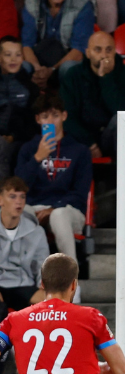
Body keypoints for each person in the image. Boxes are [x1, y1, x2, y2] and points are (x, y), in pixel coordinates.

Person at [13, 94, 90, 262]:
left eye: (55, 115)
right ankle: (25, 277)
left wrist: (54, 208)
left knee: (58, 215)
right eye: (45, 116)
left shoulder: (80, 151)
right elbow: (18, 187)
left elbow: (80, 192)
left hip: (68, 209)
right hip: (34, 207)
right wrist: (37, 159)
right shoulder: (28, 149)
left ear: (64, 116)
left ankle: (71, 280)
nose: (50, 121)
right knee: (18, 212)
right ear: (38, 119)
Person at [58, 30, 125, 159]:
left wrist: (106, 78)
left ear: (115, 51)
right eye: (98, 50)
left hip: (111, 137)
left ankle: (119, 177)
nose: (104, 55)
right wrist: (91, 144)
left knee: (120, 120)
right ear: (88, 53)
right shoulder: (73, 75)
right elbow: (67, 117)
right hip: (83, 139)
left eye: (109, 50)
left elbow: (121, 110)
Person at [21, 0, 92, 89]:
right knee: (23, 67)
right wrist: (38, 70)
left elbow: (79, 50)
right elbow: (27, 45)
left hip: (67, 59)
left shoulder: (82, 5)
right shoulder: (30, 4)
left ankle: (69, 106)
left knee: (69, 67)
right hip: (39, 61)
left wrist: (52, 70)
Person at [0, 176, 46, 318]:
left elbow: (41, 265)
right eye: (12, 197)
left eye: (22, 197)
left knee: (48, 307)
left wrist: (44, 287)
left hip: (22, 283)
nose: (18, 202)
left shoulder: (36, 231)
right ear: (1, 200)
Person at [0, 34, 38, 178]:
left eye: (17, 55)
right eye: (8, 55)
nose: (13, 59)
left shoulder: (29, 87)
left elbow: (33, 122)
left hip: (20, 138)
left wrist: (14, 136)